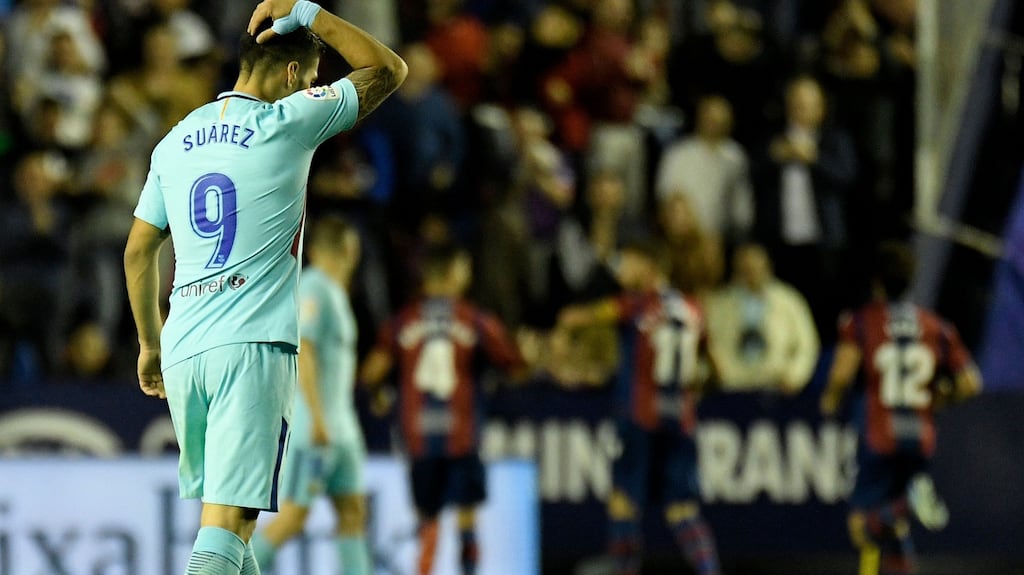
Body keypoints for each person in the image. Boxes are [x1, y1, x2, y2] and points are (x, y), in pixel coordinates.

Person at [123, 1, 407, 573]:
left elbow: (137, 251)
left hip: (183, 349)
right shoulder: (286, 121)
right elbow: (388, 70)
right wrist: (311, 12)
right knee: (227, 526)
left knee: (236, 531)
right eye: (310, 77)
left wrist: (150, 345)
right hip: (248, 347)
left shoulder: (175, 140)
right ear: (291, 76)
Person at [360, 243, 528, 575]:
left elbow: (370, 374)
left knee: (428, 519)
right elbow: (515, 365)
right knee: (467, 517)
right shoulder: (475, 319)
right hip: (462, 436)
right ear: (452, 274)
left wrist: (380, 396)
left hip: (418, 438)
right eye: (464, 269)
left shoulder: (403, 320)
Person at [557, 239, 722, 575]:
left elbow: (578, 317)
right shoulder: (694, 308)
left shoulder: (634, 305)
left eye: (625, 261)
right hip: (680, 418)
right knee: (682, 509)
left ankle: (624, 569)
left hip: (639, 416)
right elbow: (713, 366)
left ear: (648, 266)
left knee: (623, 503)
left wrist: (564, 330)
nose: (619, 269)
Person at [820, 242, 982, 575]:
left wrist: (830, 402)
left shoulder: (863, 321)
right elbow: (970, 382)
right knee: (893, 528)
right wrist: (939, 399)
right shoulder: (935, 326)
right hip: (920, 433)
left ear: (876, 281)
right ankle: (907, 504)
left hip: (879, 432)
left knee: (861, 527)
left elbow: (841, 373)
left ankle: (910, 501)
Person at [249, 216, 371, 573]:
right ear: (350, 250)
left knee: (353, 512)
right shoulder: (316, 287)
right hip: (315, 428)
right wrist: (317, 417)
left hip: (342, 429)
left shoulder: (335, 292)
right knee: (294, 517)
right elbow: (307, 351)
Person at [706, 243, 818, 393]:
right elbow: (708, 343)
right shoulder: (720, 303)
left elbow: (807, 344)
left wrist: (794, 376)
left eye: (756, 267)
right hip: (732, 387)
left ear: (768, 267)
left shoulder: (789, 301)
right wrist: (715, 373)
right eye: (745, 268)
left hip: (776, 387)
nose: (752, 273)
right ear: (736, 269)